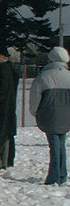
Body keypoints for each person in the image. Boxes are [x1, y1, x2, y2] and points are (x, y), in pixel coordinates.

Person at [29, 46, 70, 185]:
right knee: (61, 145)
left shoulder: (43, 76)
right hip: (67, 117)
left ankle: (54, 176)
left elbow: (35, 99)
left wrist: (34, 112)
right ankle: (62, 174)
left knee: (54, 146)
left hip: (49, 115)